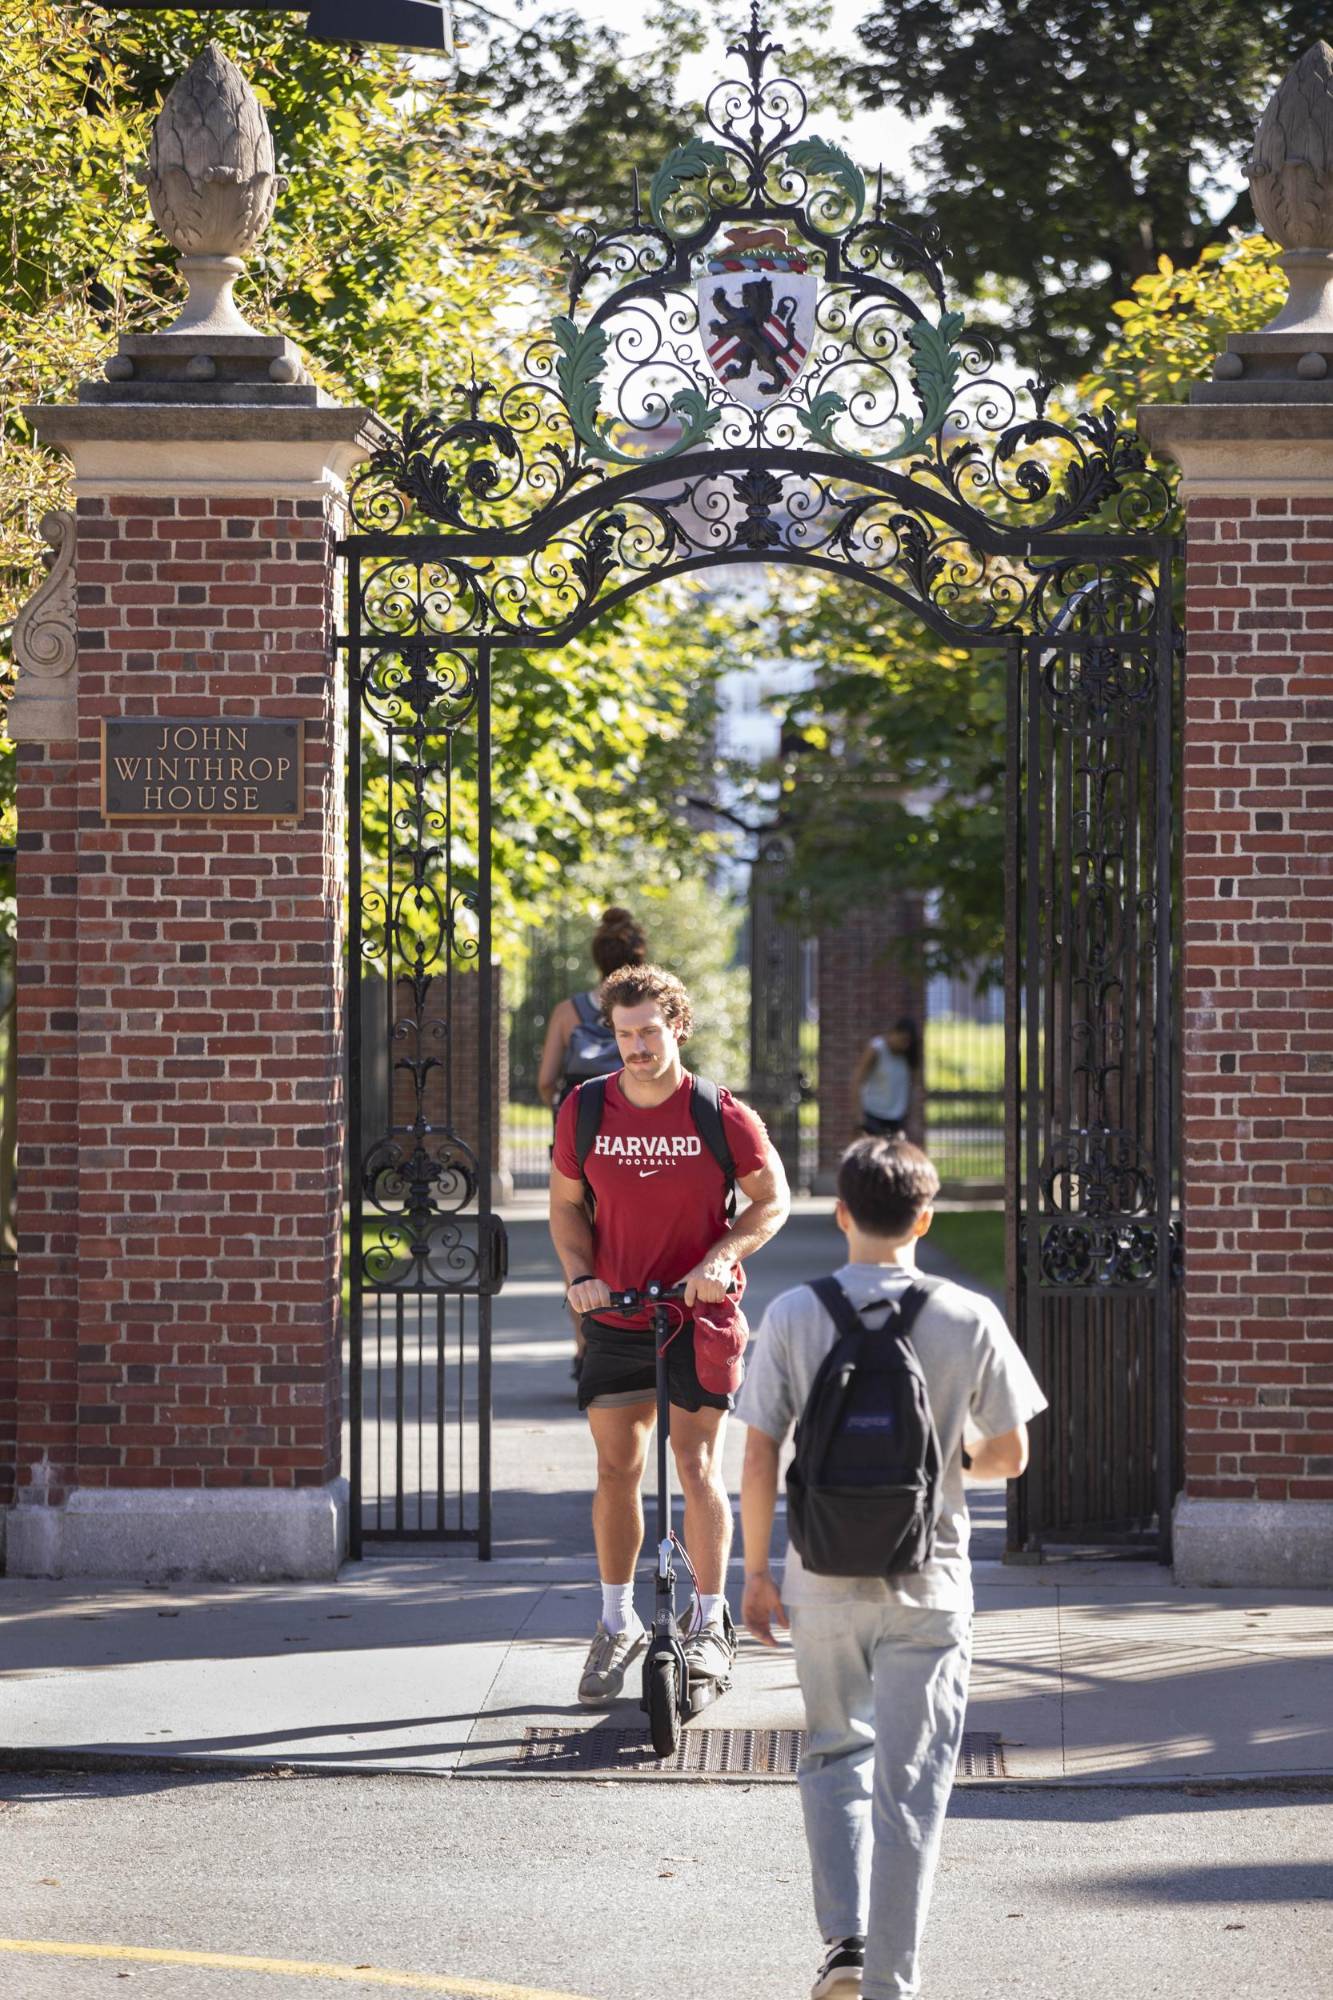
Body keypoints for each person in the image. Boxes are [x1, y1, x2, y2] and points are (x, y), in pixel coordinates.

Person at [737, 1136, 1047, 2000]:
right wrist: (947, 1463)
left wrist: (757, 1573)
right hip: (931, 1579)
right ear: (925, 1216)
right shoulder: (966, 1315)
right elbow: (1013, 1455)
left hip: (820, 1575)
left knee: (836, 1751)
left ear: (839, 1214)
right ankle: (890, 1983)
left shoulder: (795, 1313)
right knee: (911, 1784)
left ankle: (844, 1944)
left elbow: (758, 1457)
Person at [549, 962, 790, 1706]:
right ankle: (616, 1621)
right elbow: (565, 1206)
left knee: (695, 1465)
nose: (635, 1048)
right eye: (623, 1035)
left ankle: (710, 1625)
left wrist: (721, 1256)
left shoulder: (719, 1113)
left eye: (648, 1032)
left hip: (696, 1314)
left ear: (677, 1026)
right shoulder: (585, 1109)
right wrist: (579, 1275)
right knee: (617, 1467)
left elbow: (770, 1200)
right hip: (616, 1311)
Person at [537, 905, 648, 1114]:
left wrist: (561, 1111)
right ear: (638, 959)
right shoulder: (648, 1012)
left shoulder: (566, 1011)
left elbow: (546, 1081)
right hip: (630, 1122)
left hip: (578, 1121)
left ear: (597, 956)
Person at [851, 1016, 920, 1139]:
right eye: (903, 1040)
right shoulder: (876, 1049)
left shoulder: (907, 1056)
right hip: (873, 1115)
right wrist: (858, 1117)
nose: (905, 1045)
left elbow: (913, 1086)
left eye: (908, 1042)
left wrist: (912, 1117)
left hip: (897, 1117)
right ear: (894, 1032)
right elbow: (857, 1080)